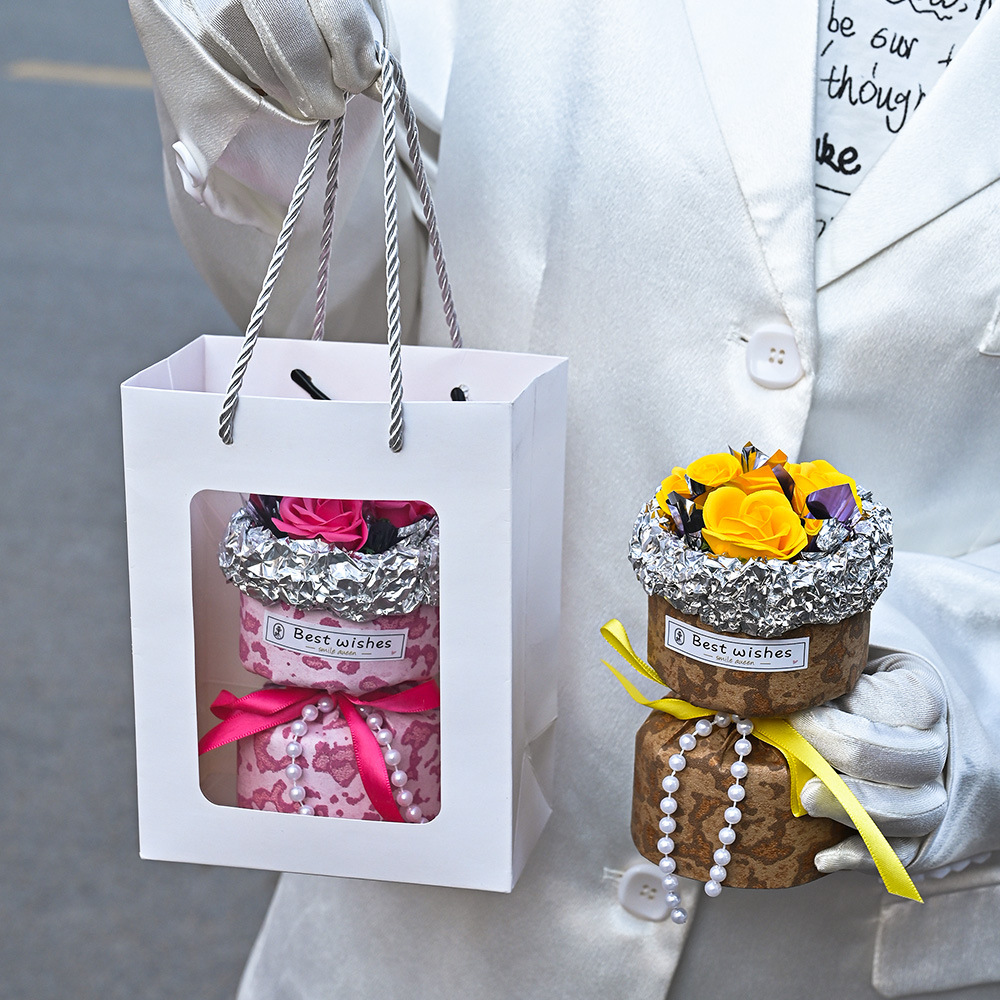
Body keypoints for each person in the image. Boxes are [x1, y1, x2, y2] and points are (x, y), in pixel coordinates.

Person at [129, 0, 1000, 996]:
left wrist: (963, 694)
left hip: (840, 954)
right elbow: (346, 325)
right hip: (428, 929)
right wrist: (249, 101)